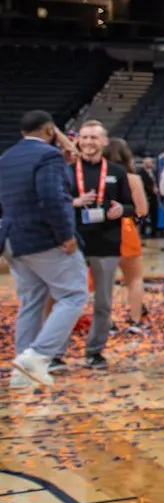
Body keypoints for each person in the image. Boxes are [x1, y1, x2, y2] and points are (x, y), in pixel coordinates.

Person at [1, 110, 88, 387]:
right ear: (50, 131)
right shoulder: (48, 156)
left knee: (32, 301)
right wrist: (65, 234)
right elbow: (52, 198)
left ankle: (22, 371)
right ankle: (38, 355)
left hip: (13, 240)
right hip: (43, 238)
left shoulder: (7, 158)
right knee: (74, 294)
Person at [68, 120, 129, 368]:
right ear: (78, 141)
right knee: (69, 299)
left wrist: (122, 209)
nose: (89, 142)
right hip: (74, 243)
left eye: (94, 138)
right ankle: (55, 353)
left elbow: (133, 207)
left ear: (104, 142)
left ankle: (94, 351)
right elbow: (56, 204)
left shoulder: (117, 171)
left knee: (103, 302)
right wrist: (75, 202)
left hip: (107, 243)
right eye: (85, 137)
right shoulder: (67, 170)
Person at [104, 138, 148, 335]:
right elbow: (142, 210)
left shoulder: (95, 176)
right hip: (126, 229)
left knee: (104, 281)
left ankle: (108, 323)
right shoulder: (132, 178)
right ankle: (135, 321)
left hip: (101, 232)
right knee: (135, 278)